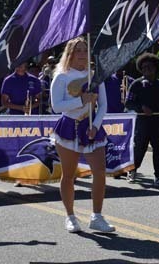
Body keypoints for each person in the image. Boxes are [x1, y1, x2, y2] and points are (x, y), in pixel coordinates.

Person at [50, 37, 114, 233]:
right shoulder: (61, 77)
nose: (82, 54)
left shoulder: (95, 75)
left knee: (100, 172)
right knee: (69, 176)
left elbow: (103, 104)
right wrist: (81, 100)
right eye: (78, 50)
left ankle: (97, 216)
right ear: (69, 53)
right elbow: (56, 107)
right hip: (69, 128)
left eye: (85, 50)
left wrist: (95, 125)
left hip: (91, 128)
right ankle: (70, 217)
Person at [125, 52, 159, 187]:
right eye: (144, 67)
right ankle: (132, 170)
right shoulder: (136, 84)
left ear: (155, 68)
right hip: (143, 122)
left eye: (150, 67)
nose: (147, 70)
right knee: (140, 148)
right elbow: (128, 103)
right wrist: (141, 108)